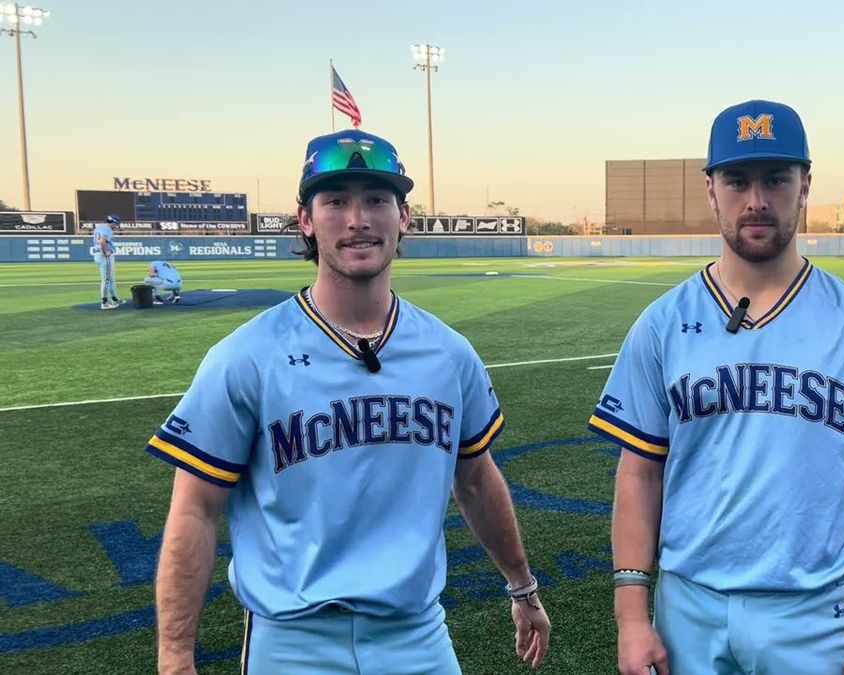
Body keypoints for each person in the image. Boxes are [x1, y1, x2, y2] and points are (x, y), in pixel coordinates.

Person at [147, 128, 550, 674]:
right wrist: (175, 657)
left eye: (377, 200)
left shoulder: (449, 353)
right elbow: (195, 509)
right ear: (306, 221)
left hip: (418, 635)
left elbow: (477, 479)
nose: (358, 219)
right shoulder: (246, 356)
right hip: (293, 644)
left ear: (404, 217)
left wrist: (522, 586)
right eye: (336, 201)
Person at [589, 100, 844, 675]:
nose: (756, 200)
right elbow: (639, 473)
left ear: (805, 187)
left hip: (814, 614)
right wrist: (631, 616)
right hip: (688, 609)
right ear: (711, 190)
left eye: (776, 179)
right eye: (737, 180)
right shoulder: (662, 324)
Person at [93, 214, 120, 309]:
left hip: (98, 254)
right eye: (116, 224)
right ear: (113, 222)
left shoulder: (99, 227)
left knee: (110, 279)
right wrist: (105, 252)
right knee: (107, 280)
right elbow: (102, 241)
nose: (116, 226)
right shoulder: (108, 229)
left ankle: (114, 299)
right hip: (103, 256)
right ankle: (104, 302)